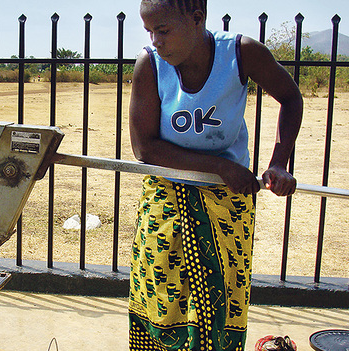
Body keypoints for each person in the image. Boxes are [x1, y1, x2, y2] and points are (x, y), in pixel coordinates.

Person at [128, 1, 303, 350]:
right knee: (160, 297)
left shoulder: (240, 54)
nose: (155, 40)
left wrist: (279, 162)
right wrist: (220, 167)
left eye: (163, 30)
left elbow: (290, 97)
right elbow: (145, 148)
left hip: (227, 202)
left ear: (197, 19)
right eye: (149, 31)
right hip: (168, 194)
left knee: (223, 297)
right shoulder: (150, 65)